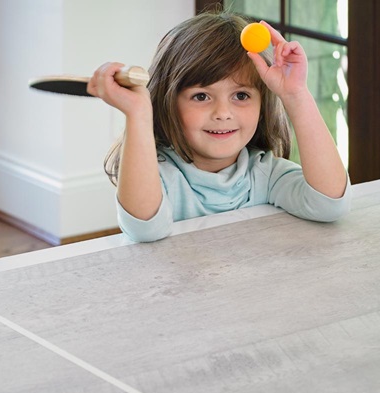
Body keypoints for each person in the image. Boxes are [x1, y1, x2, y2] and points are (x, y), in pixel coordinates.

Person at [86, 9, 351, 242]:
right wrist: (139, 115)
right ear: (168, 102)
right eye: (201, 96)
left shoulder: (264, 174)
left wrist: (296, 95)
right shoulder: (159, 176)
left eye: (241, 96)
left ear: (262, 105)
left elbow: (329, 205)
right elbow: (145, 230)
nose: (223, 113)